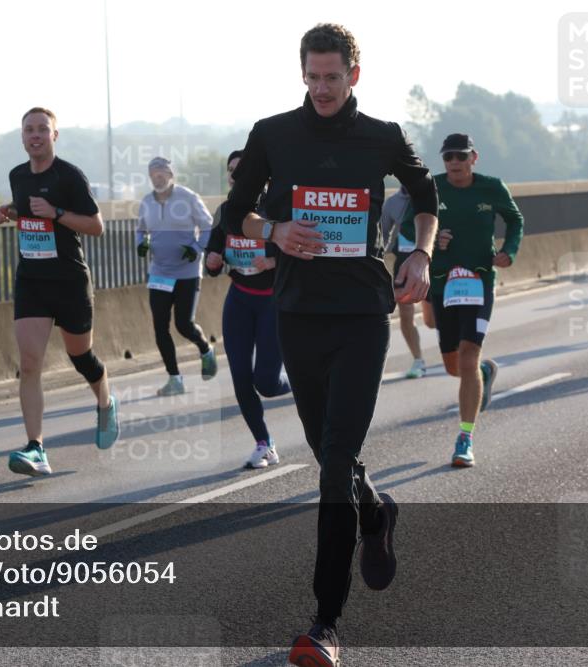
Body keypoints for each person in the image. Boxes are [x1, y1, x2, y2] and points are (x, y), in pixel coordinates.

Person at [224, 24, 439, 667]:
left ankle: (325, 624)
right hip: (297, 312)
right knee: (330, 454)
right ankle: (374, 514)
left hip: (362, 313)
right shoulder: (273, 134)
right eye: (312, 77)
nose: (321, 88)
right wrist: (276, 228)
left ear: (353, 75)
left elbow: (425, 197)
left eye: (333, 77)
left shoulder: (381, 136)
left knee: (333, 461)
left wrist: (420, 254)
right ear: (303, 74)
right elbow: (235, 211)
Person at [0, 107, 120, 477]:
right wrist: (9, 212)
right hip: (32, 279)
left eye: (42, 130)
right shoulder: (17, 175)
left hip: (68, 279)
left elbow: (96, 226)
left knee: (81, 357)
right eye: (29, 130)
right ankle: (36, 448)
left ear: (54, 136)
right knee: (29, 364)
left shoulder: (69, 175)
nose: (35, 135)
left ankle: (105, 401)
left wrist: (56, 211)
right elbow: (29, 210)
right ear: (22, 137)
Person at [427, 133, 523, 467]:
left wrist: (508, 251)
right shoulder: (432, 187)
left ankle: (465, 438)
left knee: (467, 357)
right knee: (455, 366)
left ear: (473, 157)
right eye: (448, 157)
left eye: (460, 156)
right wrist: (433, 238)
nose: (454, 162)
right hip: (442, 284)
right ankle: (483, 372)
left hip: (480, 282)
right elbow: (411, 227)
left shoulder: (492, 187)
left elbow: (515, 220)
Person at [205, 150, 291, 468]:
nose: (235, 176)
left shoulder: (278, 208)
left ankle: (307, 382)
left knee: (266, 383)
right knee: (241, 376)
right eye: (231, 171)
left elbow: (303, 249)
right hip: (240, 298)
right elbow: (214, 253)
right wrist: (212, 261)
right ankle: (263, 443)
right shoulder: (228, 210)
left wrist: (273, 260)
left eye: (241, 170)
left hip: (273, 300)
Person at [136, 156, 217, 396]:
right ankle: (175, 379)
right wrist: (141, 243)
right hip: (159, 271)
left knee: (183, 324)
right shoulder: (147, 202)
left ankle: (205, 349)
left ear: (171, 175)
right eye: (153, 173)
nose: (158, 177)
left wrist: (196, 248)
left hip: (187, 272)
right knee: (160, 326)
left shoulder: (188, 197)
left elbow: (208, 226)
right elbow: (141, 229)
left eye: (162, 172)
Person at [378, 185, 427, 378]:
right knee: (406, 314)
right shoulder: (392, 203)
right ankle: (418, 360)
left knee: (432, 320)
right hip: (404, 264)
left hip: (433, 263)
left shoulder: (432, 195)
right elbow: (381, 235)